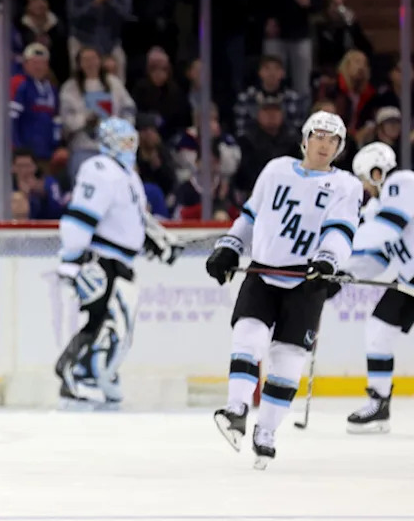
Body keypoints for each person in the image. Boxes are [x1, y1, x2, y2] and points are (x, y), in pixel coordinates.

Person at [205, 111, 363, 469]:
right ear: (305, 139)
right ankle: (236, 410)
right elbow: (249, 215)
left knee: (288, 359)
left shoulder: (347, 186)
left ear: (339, 148)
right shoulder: (276, 169)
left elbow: (341, 230)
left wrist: (327, 260)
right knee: (248, 336)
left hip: (307, 281)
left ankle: (267, 432)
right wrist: (229, 245)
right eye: (319, 136)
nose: (324, 143)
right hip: (262, 271)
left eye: (332, 139)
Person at [55, 117, 181, 409]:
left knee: (118, 328)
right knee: (100, 321)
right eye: (124, 142)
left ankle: (94, 374)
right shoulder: (100, 170)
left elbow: (134, 220)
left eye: (132, 141)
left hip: (122, 262)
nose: (130, 147)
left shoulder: (128, 174)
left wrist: (157, 244)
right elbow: (80, 216)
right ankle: (74, 370)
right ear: (108, 142)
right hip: (101, 260)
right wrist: (71, 260)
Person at [342, 142, 414, 433]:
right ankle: (379, 404)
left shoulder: (403, 183)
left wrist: (336, 245)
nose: (364, 188)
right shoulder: (379, 207)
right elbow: (377, 259)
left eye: (364, 179)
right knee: (378, 331)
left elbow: (385, 230)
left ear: (376, 171)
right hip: (409, 280)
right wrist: (341, 273)